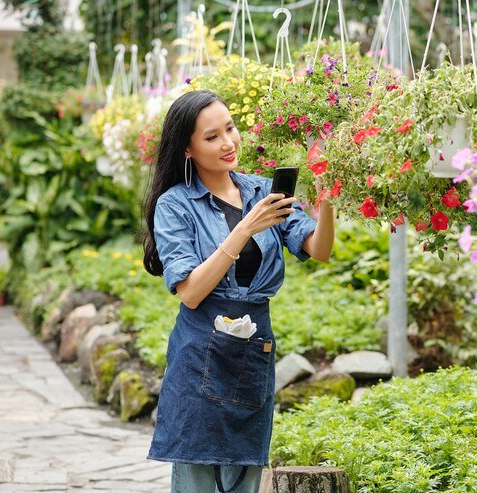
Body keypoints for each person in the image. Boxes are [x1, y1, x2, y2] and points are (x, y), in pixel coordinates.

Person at [142, 89, 335, 492]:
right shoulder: (175, 204)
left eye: (229, 128)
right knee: (195, 473)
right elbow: (191, 292)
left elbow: (318, 249)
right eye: (211, 137)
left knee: (246, 475)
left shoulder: (262, 191)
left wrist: (329, 199)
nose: (228, 142)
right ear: (188, 149)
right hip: (199, 350)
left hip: (253, 349)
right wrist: (245, 227)